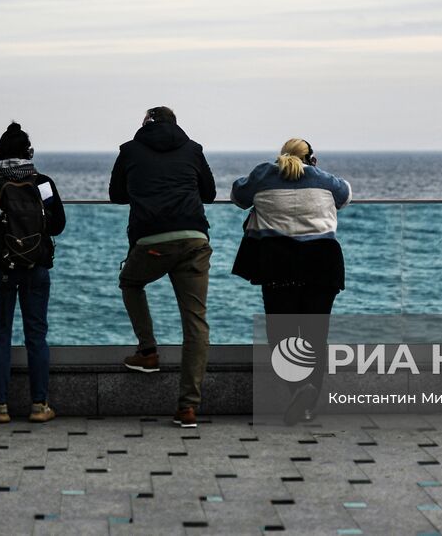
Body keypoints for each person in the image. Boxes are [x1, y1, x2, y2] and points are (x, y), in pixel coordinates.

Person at [108, 106, 217, 428]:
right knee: (195, 322)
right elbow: (209, 195)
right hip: (194, 240)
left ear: (145, 124)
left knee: (131, 283)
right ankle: (187, 408)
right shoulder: (193, 149)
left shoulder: (129, 150)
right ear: (175, 124)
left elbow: (116, 196)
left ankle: (148, 351)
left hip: (151, 241)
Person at [231, 139, 352, 424]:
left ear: (280, 156)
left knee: (281, 335)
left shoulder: (264, 174)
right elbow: (344, 196)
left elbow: (239, 196)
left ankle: (299, 388)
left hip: (278, 263)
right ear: (313, 159)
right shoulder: (324, 179)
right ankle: (308, 405)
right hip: (323, 262)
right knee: (315, 336)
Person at [0, 122, 67, 425]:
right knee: (36, 336)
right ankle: (39, 405)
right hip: (36, 268)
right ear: (30, 152)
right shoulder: (43, 184)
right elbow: (58, 225)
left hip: (0, 269)